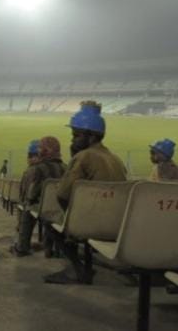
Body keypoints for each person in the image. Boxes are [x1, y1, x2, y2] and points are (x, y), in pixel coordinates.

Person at [46, 101, 127, 284]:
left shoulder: (84, 156)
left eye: (76, 135)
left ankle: (77, 270)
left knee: (49, 219)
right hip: (119, 224)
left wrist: (70, 222)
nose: (72, 140)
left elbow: (62, 195)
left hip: (93, 224)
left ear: (91, 137)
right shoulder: (115, 158)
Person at [11, 136, 67, 256]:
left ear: (44, 151)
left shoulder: (37, 169)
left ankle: (22, 247)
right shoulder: (66, 168)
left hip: (44, 209)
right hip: (62, 210)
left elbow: (31, 194)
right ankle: (48, 247)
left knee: (28, 208)